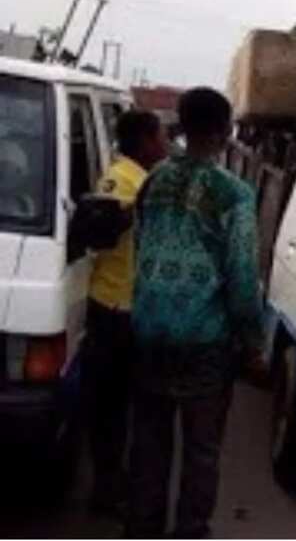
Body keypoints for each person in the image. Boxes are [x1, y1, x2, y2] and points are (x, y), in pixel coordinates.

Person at [126, 88, 263, 539]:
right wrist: (253, 342)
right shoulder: (235, 194)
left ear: (181, 128)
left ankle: (142, 528)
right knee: (201, 451)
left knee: (149, 445)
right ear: (225, 133)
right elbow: (243, 278)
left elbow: (140, 245)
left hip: (148, 332)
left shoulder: (153, 181)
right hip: (204, 341)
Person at [80, 110, 167, 516]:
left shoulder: (144, 178)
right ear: (145, 141)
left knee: (135, 407)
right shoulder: (121, 178)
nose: (165, 145)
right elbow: (103, 228)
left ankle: (127, 486)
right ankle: (106, 488)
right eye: (160, 137)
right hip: (114, 309)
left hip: (137, 310)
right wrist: (140, 205)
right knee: (110, 408)